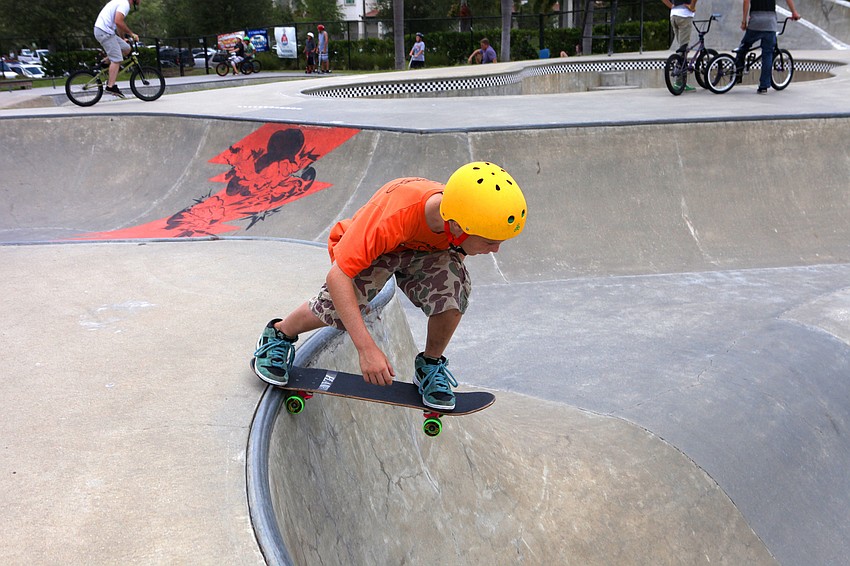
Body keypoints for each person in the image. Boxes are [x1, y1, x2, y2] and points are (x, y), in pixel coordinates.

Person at [252, 162, 528, 411]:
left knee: (455, 291)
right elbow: (338, 277)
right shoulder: (393, 216)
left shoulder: (462, 212)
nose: (496, 250)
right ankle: (278, 335)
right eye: (490, 241)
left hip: (425, 251)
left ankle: (429, 365)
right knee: (339, 306)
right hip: (374, 251)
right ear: (457, 226)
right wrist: (366, 348)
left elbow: (455, 262)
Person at [735, 0, 800, 94]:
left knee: (743, 47)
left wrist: (744, 21)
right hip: (770, 23)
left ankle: (736, 75)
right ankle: (763, 86)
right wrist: (794, 13)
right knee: (767, 54)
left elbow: (746, 1)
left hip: (755, 22)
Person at [93, 0, 140, 98]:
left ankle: (104, 63)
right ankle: (110, 86)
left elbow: (119, 24)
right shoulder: (125, 4)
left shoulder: (121, 2)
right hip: (104, 32)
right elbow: (118, 21)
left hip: (106, 31)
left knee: (126, 48)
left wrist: (123, 38)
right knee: (117, 59)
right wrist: (132, 34)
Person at [662, 0, 698, 92]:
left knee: (681, 49)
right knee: (683, 50)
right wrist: (692, 6)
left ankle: (681, 80)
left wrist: (672, 6)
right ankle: (679, 82)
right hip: (684, 16)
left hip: (673, 16)